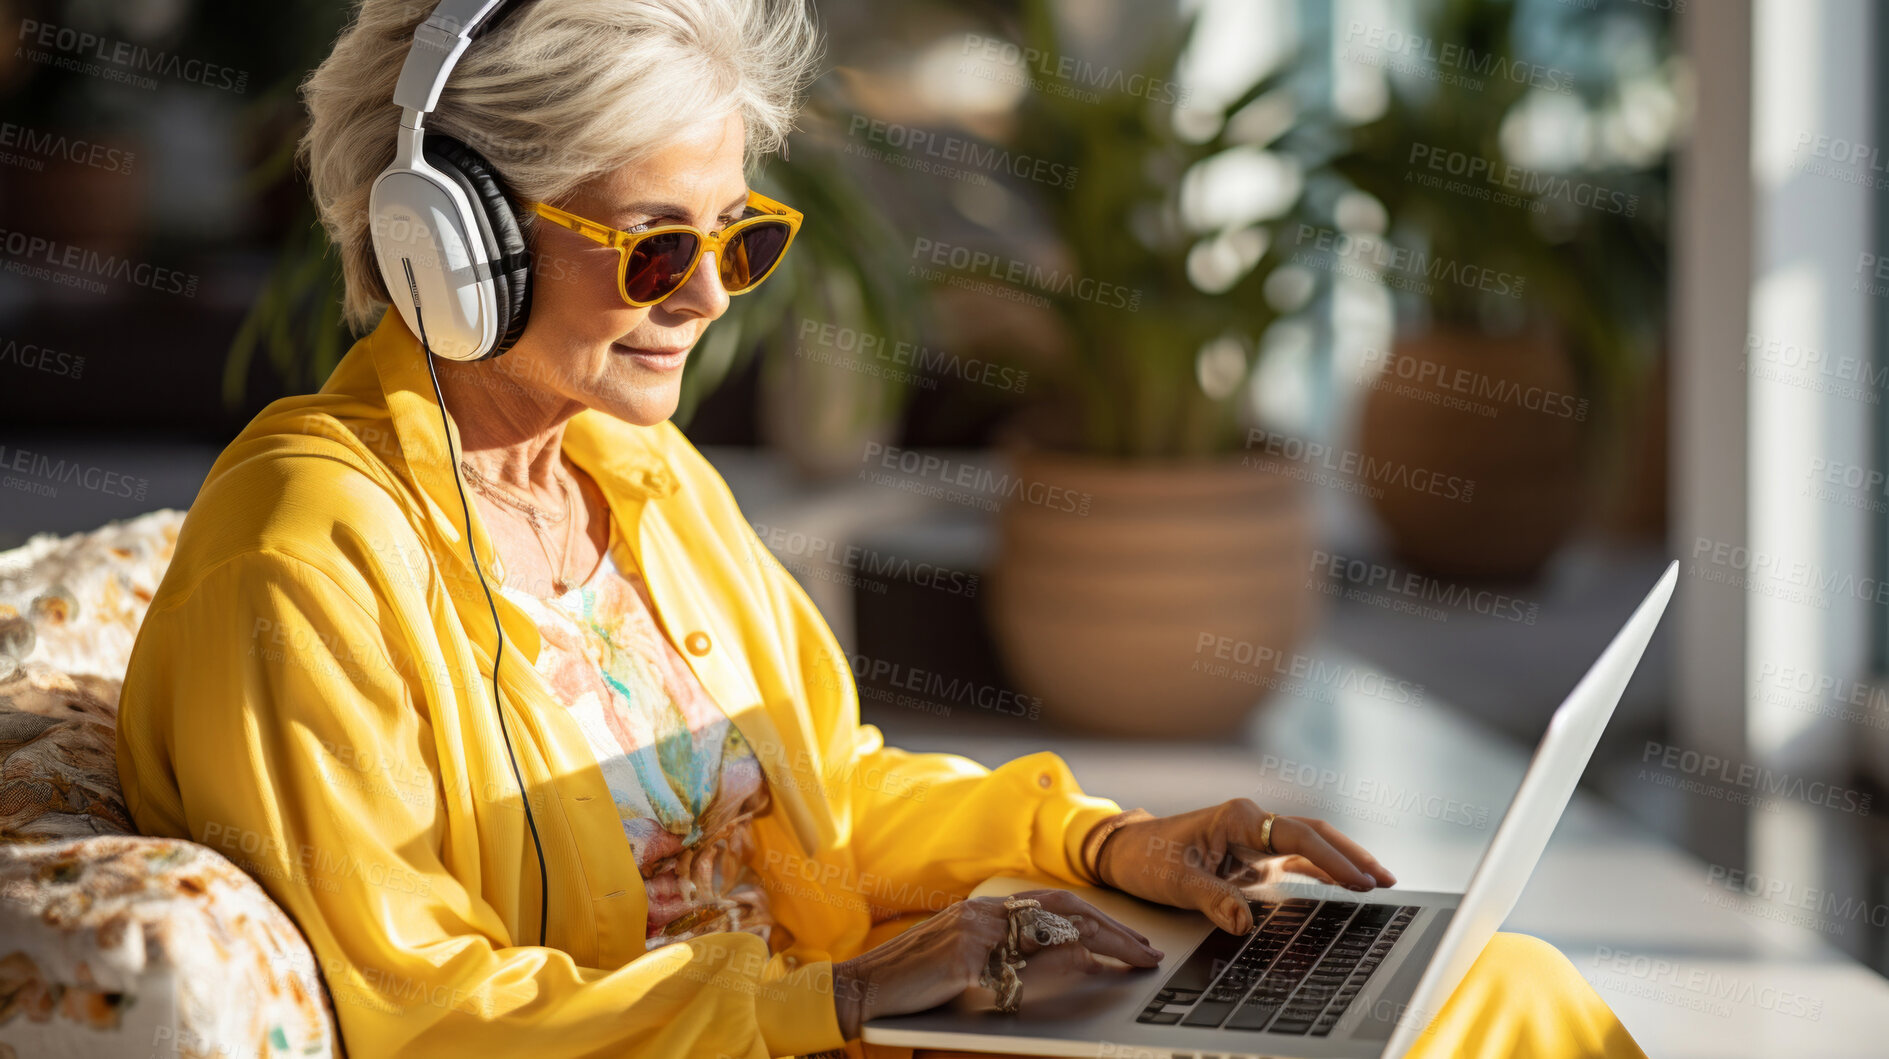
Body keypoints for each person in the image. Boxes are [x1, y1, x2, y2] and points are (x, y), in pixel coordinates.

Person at [114, 1, 1648, 1056]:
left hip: (849, 1025)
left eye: (738, 236)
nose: (712, 298)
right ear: (454, 246)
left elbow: (824, 793)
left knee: (1486, 990)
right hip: (790, 1040)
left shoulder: (635, 479)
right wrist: (829, 1003)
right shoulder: (307, 552)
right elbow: (420, 1010)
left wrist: (1104, 843)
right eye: (656, 248)